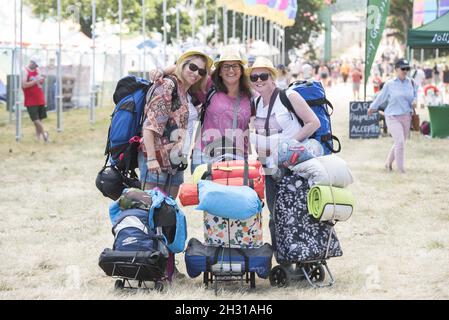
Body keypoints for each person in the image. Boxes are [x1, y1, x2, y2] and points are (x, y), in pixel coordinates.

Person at [248, 56, 320, 253]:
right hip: (272, 171)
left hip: (295, 166)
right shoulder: (256, 103)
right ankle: (283, 259)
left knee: (299, 212)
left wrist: (289, 147)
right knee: (275, 215)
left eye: (263, 75)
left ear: (273, 77)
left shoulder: (289, 96)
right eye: (254, 77)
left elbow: (313, 123)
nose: (258, 80)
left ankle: (305, 256)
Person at [139, 49, 213, 198]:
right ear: (182, 65)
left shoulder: (187, 92)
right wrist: (152, 159)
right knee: (150, 208)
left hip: (177, 160)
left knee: (168, 212)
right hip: (158, 159)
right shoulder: (168, 85)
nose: (196, 73)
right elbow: (150, 125)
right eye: (192, 67)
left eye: (201, 71)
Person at [190, 47, 253, 173]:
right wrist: (160, 71)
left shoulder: (250, 95)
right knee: (204, 192)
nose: (231, 70)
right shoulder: (209, 86)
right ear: (219, 71)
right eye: (226, 66)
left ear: (241, 70)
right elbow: (184, 71)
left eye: (235, 66)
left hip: (236, 158)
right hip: (205, 155)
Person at [367, 58, 417, 174]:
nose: (405, 71)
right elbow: (381, 97)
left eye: (407, 68)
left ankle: (388, 163)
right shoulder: (389, 84)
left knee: (400, 142)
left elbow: (414, 96)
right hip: (392, 116)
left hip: (406, 116)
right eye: (403, 68)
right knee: (399, 142)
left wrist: (414, 101)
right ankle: (401, 169)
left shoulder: (411, 82)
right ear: (396, 69)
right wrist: (372, 107)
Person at [22, 56, 49, 142]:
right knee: (35, 120)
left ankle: (38, 138)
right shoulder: (25, 71)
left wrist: (42, 79)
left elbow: (39, 83)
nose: (37, 67)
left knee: (39, 119)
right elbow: (24, 85)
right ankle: (44, 135)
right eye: (36, 65)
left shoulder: (37, 70)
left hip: (39, 97)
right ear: (32, 63)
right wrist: (36, 80)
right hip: (30, 100)